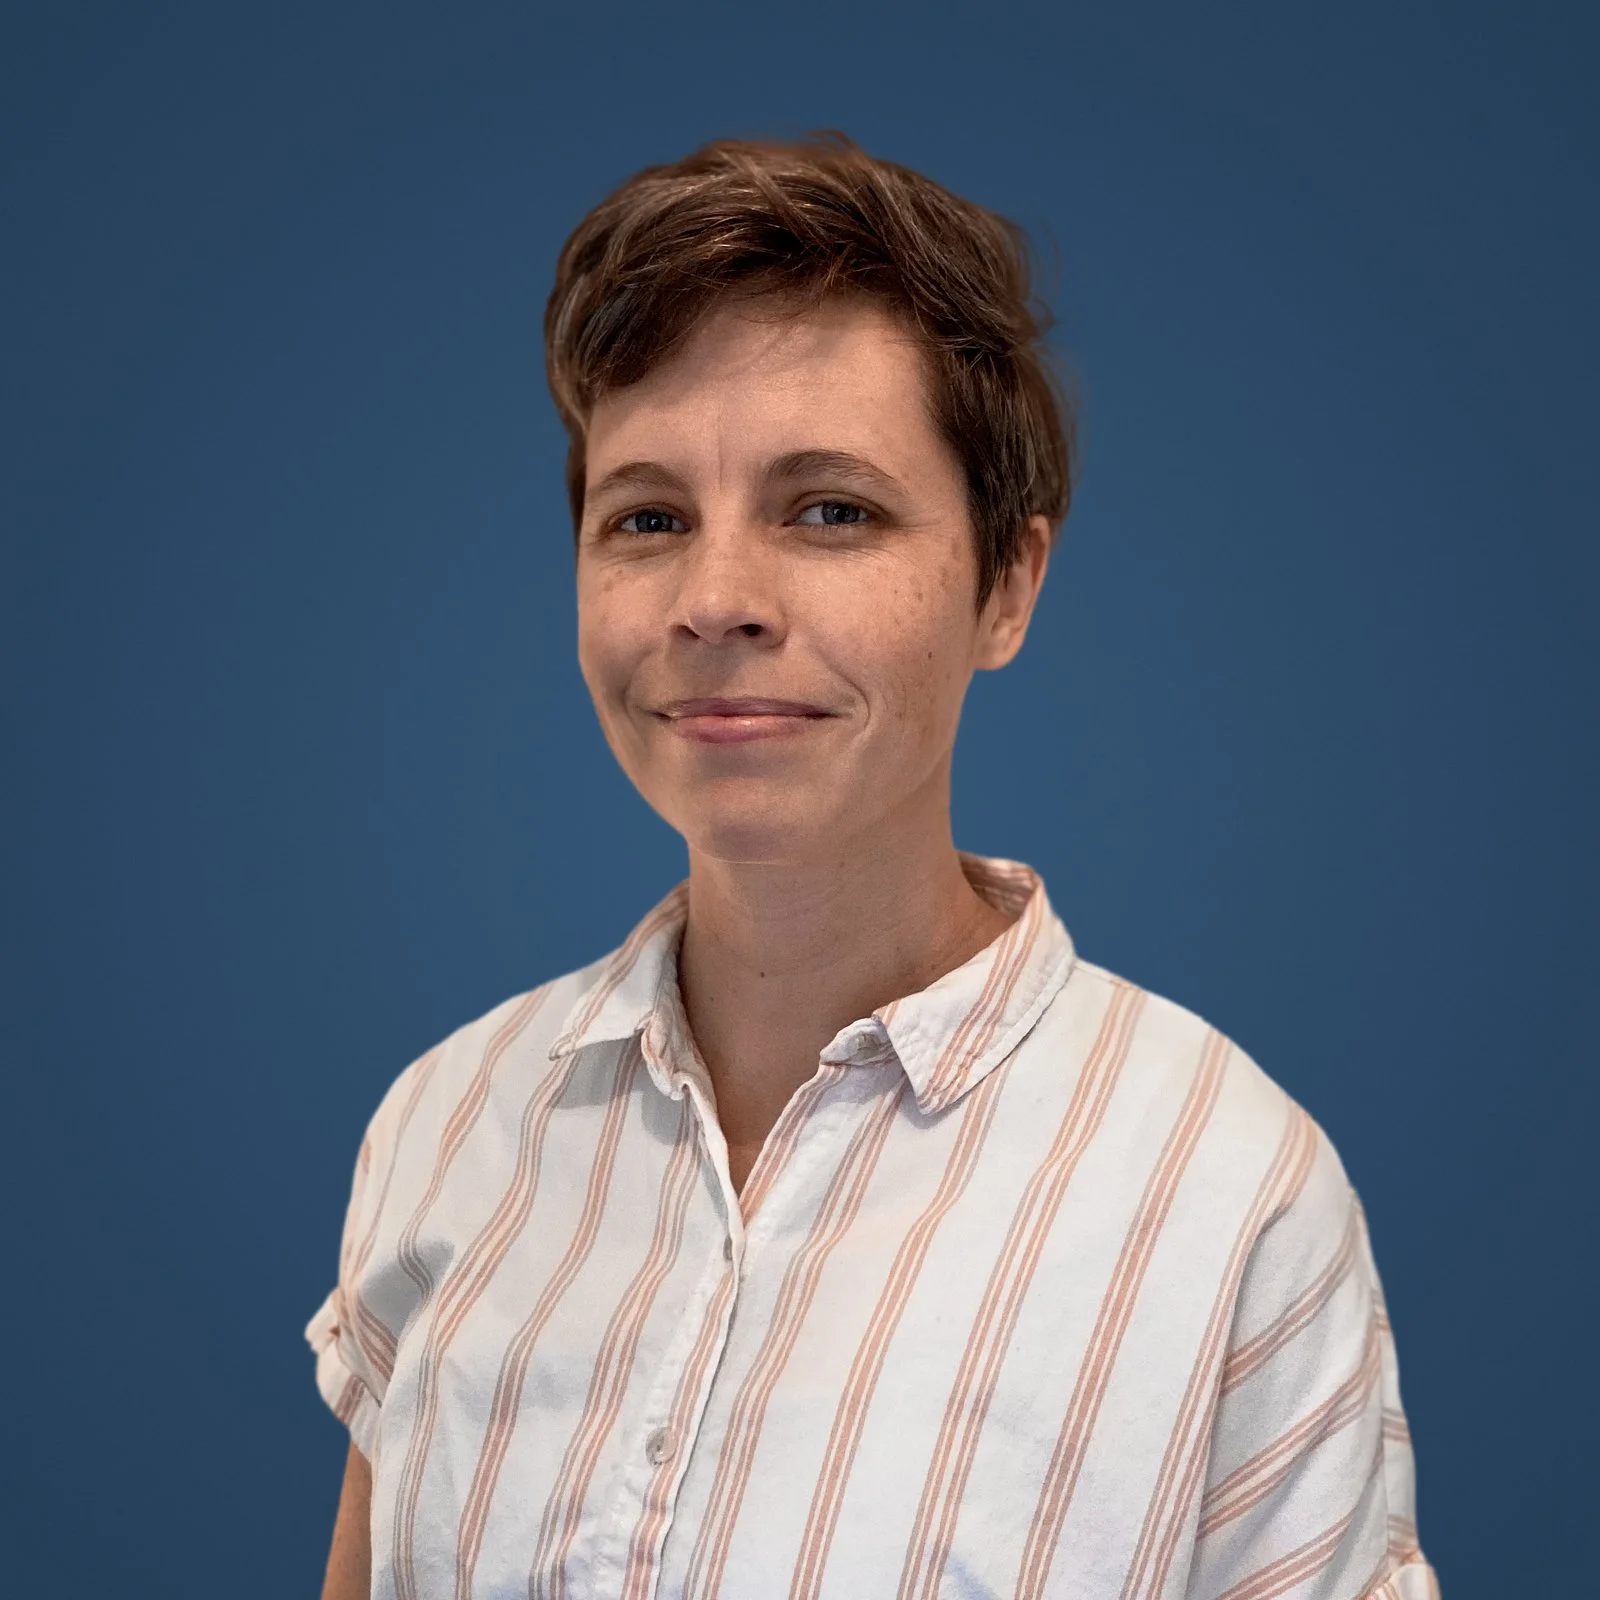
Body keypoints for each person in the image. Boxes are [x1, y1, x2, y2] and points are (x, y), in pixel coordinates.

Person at [309, 132, 1438, 1600]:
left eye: (829, 508)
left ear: (1009, 583)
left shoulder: (1230, 1192)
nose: (715, 599)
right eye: (647, 518)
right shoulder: (450, 1123)